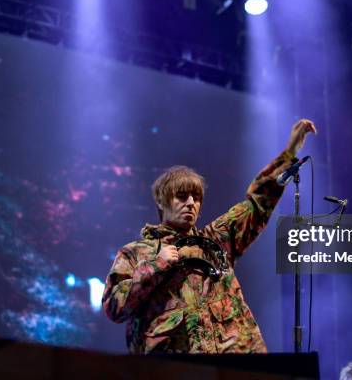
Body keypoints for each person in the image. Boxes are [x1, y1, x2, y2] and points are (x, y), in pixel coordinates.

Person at [102, 119, 317, 353]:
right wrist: (155, 265)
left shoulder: (214, 242)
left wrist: (290, 152)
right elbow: (115, 308)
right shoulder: (135, 253)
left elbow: (256, 205)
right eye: (182, 196)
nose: (191, 204)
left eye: (196, 198)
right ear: (161, 201)